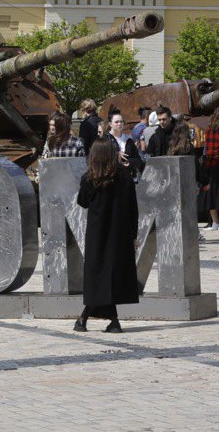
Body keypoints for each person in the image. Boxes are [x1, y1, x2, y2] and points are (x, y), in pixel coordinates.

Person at [74, 138, 139, 334]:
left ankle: (87, 318)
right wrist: (134, 235)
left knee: (97, 276)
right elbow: (133, 208)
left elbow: (82, 202)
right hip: (120, 234)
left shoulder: (90, 178)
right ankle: (110, 321)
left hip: (97, 234)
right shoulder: (124, 176)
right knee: (110, 276)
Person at [104, 110, 144, 175]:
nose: (119, 124)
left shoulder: (128, 139)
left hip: (127, 177)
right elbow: (99, 159)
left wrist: (129, 162)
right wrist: (116, 155)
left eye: (121, 121)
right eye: (116, 122)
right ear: (110, 124)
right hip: (111, 177)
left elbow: (138, 160)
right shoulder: (105, 139)